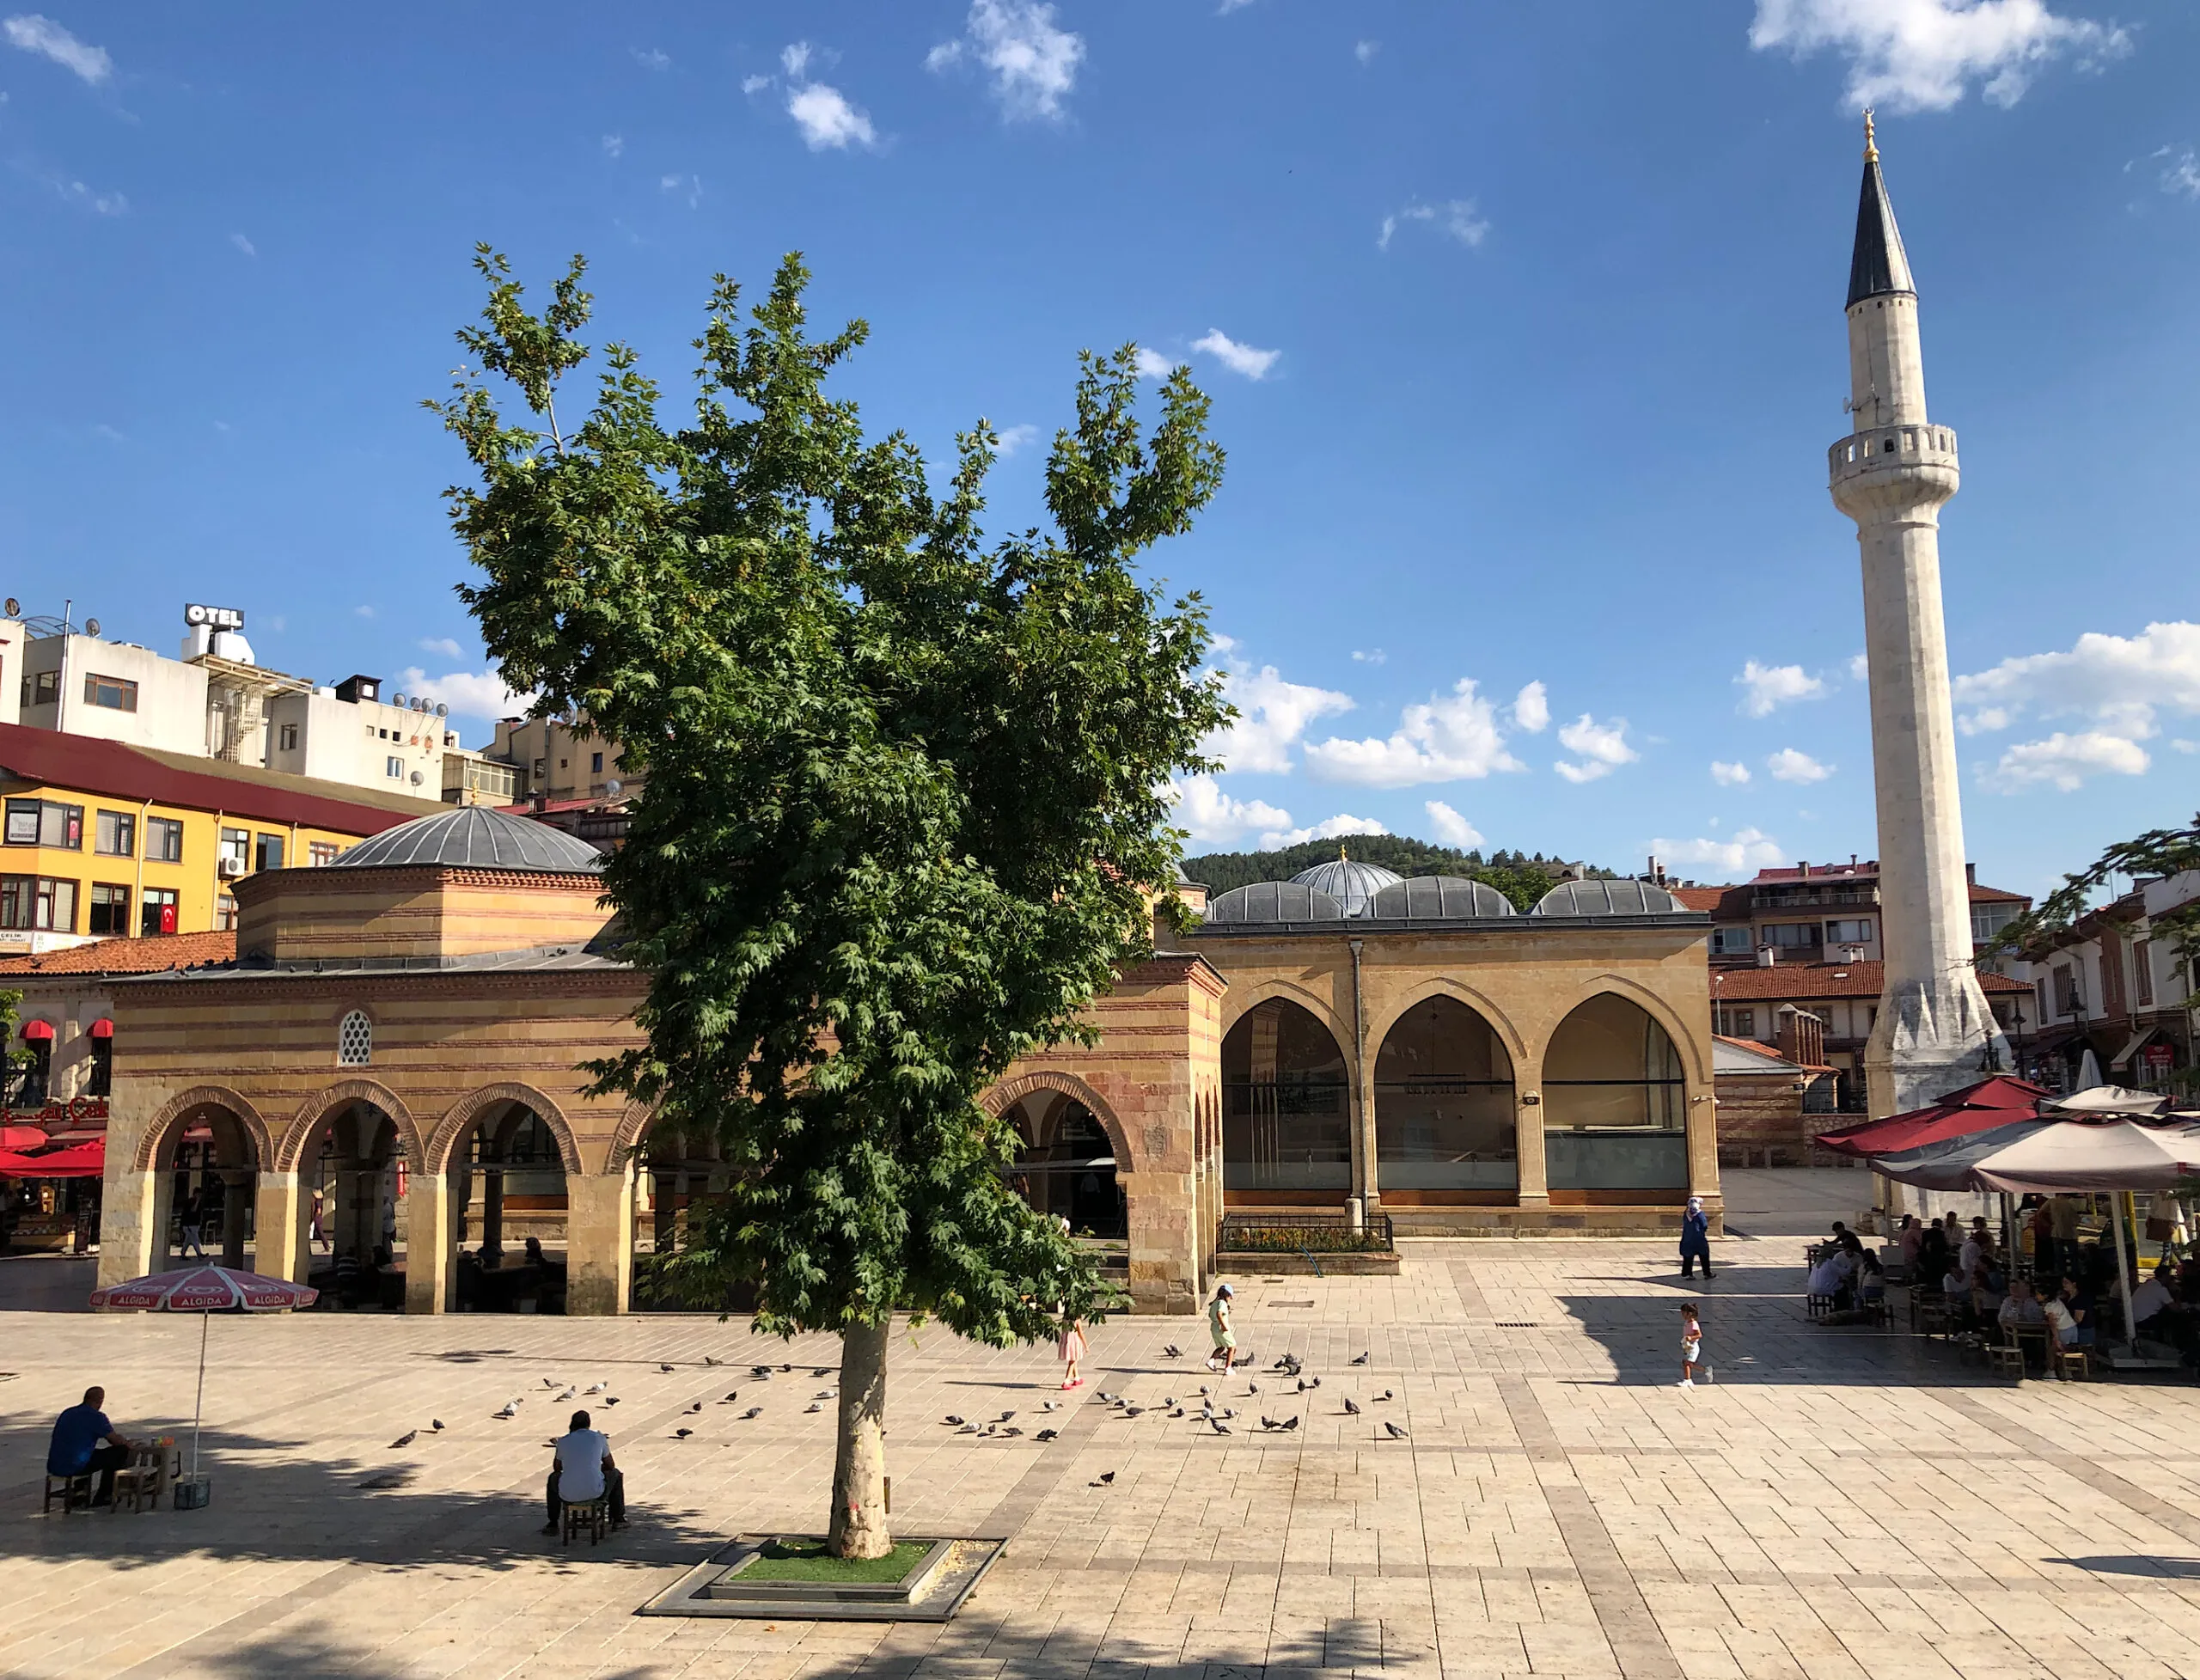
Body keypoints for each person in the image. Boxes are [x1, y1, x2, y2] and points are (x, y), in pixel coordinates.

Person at [47, 1385, 134, 1506]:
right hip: (77, 1465)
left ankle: (80, 1493)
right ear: (100, 1401)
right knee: (119, 1452)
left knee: (85, 1452)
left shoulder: (68, 1413)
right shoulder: (97, 1417)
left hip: (55, 1464)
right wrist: (129, 1443)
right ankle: (105, 1495)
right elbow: (115, 1441)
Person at [543, 1408, 624, 1535]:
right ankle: (619, 1519)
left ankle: (553, 1523)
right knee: (616, 1474)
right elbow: (611, 1465)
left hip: (567, 1494)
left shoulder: (563, 1441)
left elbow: (557, 1468)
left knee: (553, 1478)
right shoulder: (598, 1438)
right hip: (595, 1492)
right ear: (588, 1424)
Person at [1678, 1195, 1712, 1279]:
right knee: (1704, 1255)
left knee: (1688, 1256)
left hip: (1687, 1238)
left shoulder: (1686, 1213)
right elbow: (1704, 1225)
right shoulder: (1700, 1214)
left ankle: (1688, 1274)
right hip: (1699, 1238)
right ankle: (1707, 1273)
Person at [1206, 1283, 1237, 1372]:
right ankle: (1228, 1368)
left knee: (1222, 1347)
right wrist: (1223, 1325)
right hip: (1221, 1328)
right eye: (1230, 1296)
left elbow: (1210, 1315)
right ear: (1226, 1295)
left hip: (1214, 1328)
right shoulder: (1222, 1303)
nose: (1231, 1298)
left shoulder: (1214, 1303)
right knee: (1232, 1347)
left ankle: (1211, 1361)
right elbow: (1219, 1314)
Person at [1058, 1313, 1086, 1389]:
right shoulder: (1077, 1321)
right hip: (1074, 1341)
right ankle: (1066, 1381)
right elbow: (1080, 1333)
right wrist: (1086, 1345)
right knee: (1072, 1361)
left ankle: (1077, 1377)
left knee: (1074, 1360)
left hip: (1066, 1341)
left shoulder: (1064, 1320)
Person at [1678, 1303, 1703, 1388]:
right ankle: (1705, 1370)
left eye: (1683, 1313)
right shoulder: (1687, 1322)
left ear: (1689, 1314)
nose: (1682, 1315)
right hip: (1688, 1345)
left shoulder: (1694, 1324)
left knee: (1687, 1363)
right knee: (1687, 1363)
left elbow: (1699, 1335)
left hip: (1693, 1346)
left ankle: (1688, 1380)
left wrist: (1691, 1337)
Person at [179, 1189, 205, 1260]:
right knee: (195, 1240)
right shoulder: (190, 1202)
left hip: (194, 1224)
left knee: (188, 1241)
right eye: (198, 1194)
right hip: (189, 1225)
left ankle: (182, 1254)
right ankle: (199, 1254)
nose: (200, 1196)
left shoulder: (199, 1203)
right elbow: (193, 1210)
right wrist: (197, 1201)